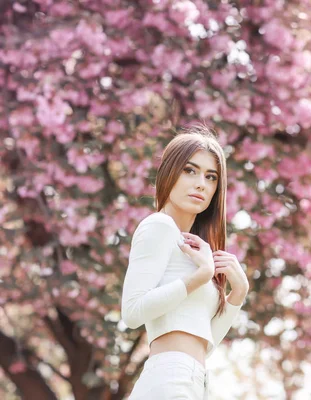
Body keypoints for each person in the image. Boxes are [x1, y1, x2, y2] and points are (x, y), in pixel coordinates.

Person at [121, 126, 250, 399]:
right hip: (169, 378)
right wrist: (199, 277)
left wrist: (238, 295)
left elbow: (205, 345)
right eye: (190, 170)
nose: (201, 183)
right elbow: (132, 312)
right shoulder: (159, 226)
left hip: (191, 380)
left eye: (211, 177)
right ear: (169, 173)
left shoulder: (195, 248)